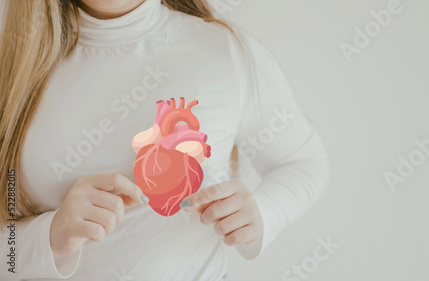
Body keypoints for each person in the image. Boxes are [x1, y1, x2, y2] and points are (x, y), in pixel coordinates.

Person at [0, 0, 330, 280]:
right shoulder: (12, 73)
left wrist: (263, 212)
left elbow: (303, 162)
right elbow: (8, 253)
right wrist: (50, 237)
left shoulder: (223, 52)